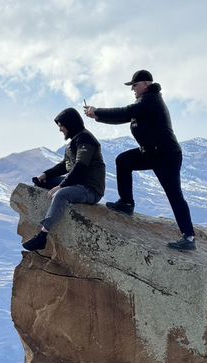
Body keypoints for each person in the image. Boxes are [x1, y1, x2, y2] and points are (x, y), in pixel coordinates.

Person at [84, 69, 196, 251]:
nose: (133, 89)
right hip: (151, 153)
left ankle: (189, 237)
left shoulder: (151, 100)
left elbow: (125, 112)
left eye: (135, 85)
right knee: (124, 161)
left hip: (166, 155)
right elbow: (124, 117)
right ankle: (126, 203)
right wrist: (97, 116)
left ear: (146, 84)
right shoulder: (144, 101)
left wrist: (98, 111)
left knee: (174, 194)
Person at [22, 107, 106, 251]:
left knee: (61, 194)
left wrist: (61, 186)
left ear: (70, 124)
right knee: (43, 183)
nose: (60, 129)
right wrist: (46, 175)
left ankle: (42, 236)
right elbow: (64, 165)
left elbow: (80, 166)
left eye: (62, 125)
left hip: (90, 189)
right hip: (78, 184)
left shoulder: (86, 140)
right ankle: (48, 215)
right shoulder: (74, 141)